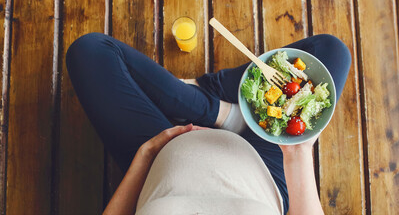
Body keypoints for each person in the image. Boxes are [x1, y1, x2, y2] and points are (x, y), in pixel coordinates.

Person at [66, 32, 351, 215]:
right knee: (330, 51)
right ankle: (217, 107)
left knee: (90, 50)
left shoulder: (148, 154)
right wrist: (298, 153)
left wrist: (145, 156)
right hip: (266, 166)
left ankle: (205, 102)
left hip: (158, 152)